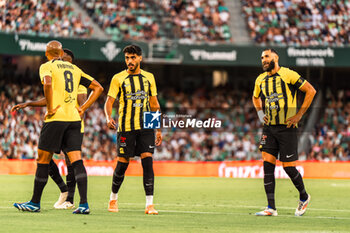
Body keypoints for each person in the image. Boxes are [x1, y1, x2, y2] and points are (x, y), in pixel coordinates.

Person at [13, 40, 103, 214]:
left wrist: (50, 108)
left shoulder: (47, 66)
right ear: (61, 54)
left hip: (56, 119)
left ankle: (34, 202)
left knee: (43, 159)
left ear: (47, 53)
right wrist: (83, 108)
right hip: (74, 120)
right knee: (77, 161)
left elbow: (47, 84)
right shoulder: (75, 70)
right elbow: (98, 88)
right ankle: (83, 204)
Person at [252, 48, 316, 216]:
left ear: (275, 57)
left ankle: (304, 196)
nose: (263, 60)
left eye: (266, 56)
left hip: (287, 127)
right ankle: (271, 208)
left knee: (288, 167)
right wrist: (260, 114)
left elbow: (311, 90)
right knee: (267, 165)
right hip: (269, 128)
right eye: (261, 58)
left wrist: (299, 115)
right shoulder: (260, 79)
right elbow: (255, 97)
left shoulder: (288, 75)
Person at [104, 44, 162, 215]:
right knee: (123, 164)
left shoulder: (149, 78)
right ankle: (113, 199)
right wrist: (108, 117)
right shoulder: (118, 78)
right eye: (127, 58)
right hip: (126, 128)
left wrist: (157, 129)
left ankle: (149, 205)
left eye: (132, 58)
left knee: (148, 161)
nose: (129, 61)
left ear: (140, 58)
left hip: (145, 127)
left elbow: (154, 104)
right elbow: (108, 101)